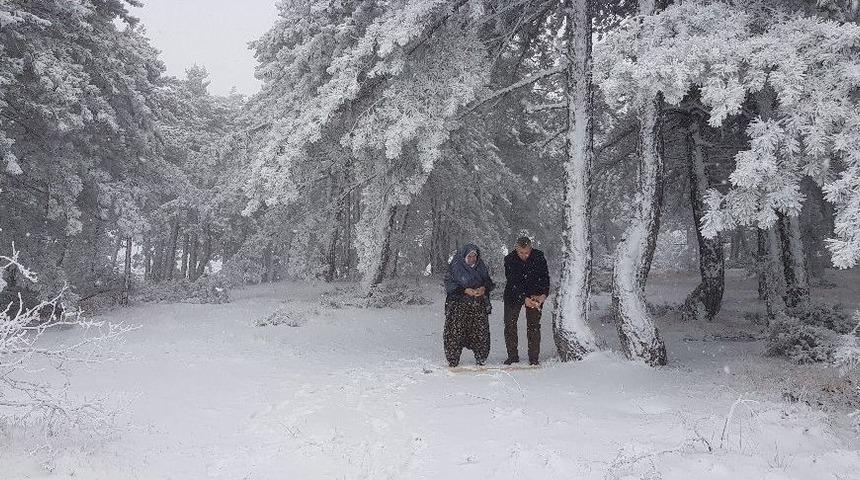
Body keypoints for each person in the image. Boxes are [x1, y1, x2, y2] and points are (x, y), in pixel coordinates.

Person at [443, 243, 495, 367]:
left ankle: (481, 357)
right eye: (469, 256)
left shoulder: (481, 267)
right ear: (464, 256)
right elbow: (450, 285)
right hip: (458, 306)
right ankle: (453, 359)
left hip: (477, 305)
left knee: (480, 332)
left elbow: (488, 282)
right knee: (455, 333)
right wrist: (464, 290)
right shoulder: (456, 267)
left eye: (474, 256)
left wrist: (483, 288)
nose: (472, 259)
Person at [503, 236, 549, 365]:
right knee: (510, 324)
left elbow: (545, 277)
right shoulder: (509, 259)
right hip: (513, 295)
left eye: (527, 252)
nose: (524, 255)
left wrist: (543, 295)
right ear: (516, 249)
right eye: (521, 252)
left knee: (534, 326)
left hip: (535, 294)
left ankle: (534, 358)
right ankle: (512, 356)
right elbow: (513, 282)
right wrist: (524, 299)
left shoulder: (539, 257)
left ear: (531, 248)